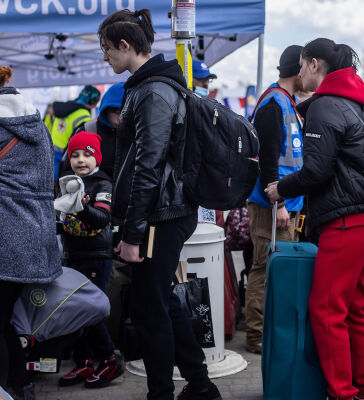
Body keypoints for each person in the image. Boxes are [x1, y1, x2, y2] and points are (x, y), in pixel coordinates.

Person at [98, 9, 221, 400]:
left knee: (152, 312)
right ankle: (200, 387)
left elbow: (148, 167)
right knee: (162, 302)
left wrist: (132, 233)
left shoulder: (153, 90)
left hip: (160, 216)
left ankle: (162, 394)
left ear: (125, 45)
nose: (105, 58)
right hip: (163, 212)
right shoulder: (151, 85)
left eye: (107, 50)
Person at [265, 38, 364, 400]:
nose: (299, 72)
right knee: (354, 307)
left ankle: (342, 393)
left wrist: (281, 189)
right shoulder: (360, 102)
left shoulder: (325, 106)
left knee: (326, 309)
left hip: (347, 219)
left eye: (302, 65)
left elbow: (316, 170)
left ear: (315, 65)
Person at [0, 66, 61, 399]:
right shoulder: (34, 121)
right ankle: (20, 384)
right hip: (33, 235)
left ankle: (18, 386)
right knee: (5, 316)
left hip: (6, 236)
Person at [245, 44, 304, 354]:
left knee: (275, 269)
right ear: (299, 68)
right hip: (272, 204)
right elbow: (267, 159)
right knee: (264, 268)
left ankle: (267, 332)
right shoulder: (274, 103)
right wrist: (278, 204)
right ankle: (256, 336)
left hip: (284, 204)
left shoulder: (287, 102)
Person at [57, 132, 124, 388]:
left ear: (97, 158)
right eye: (75, 155)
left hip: (96, 257)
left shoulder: (102, 184)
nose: (80, 160)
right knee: (74, 311)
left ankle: (109, 359)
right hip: (72, 256)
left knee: (90, 311)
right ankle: (84, 362)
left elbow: (102, 219)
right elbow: (64, 224)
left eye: (86, 154)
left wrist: (82, 207)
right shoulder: (67, 183)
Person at [48, 84, 101, 179]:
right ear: (93, 102)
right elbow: (83, 141)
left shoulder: (63, 108)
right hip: (67, 156)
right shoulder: (84, 115)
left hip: (51, 152)